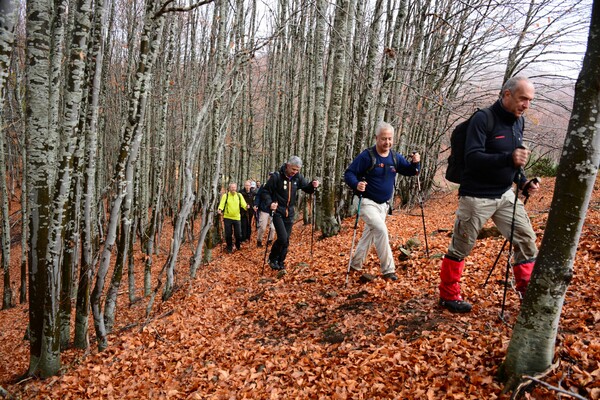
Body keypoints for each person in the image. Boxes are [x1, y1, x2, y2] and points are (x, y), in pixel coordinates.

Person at [438, 76, 541, 313]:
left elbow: (516, 160)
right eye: (523, 99)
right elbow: (472, 158)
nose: (526, 105)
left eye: (530, 100)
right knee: (461, 247)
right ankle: (448, 295)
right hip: (476, 196)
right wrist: (509, 159)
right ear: (506, 95)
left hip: (505, 195)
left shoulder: (518, 122)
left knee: (526, 240)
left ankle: (528, 293)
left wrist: (523, 182)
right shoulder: (483, 119)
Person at [344, 121, 420, 281]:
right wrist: (356, 184)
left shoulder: (394, 157)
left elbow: (411, 171)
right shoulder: (367, 156)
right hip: (365, 202)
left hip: (383, 205)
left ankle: (355, 265)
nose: (387, 142)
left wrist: (415, 163)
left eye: (390, 139)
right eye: (384, 139)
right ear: (376, 138)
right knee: (381, 230)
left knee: (369, 235)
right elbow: (349, 173)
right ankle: (388, 270)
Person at [262, 156, 319, 271]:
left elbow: (306, 188)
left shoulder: (297, 177)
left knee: (286, 240)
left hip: (290, 212)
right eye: (293, 169)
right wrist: (270, 203)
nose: (295, 172)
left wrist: (313, 186)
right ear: (287, 166)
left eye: (297, 170)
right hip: (278, 211)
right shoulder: (276, 177)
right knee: (282, 238)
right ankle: (272, 258)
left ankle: (280, 261)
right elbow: (265, 191)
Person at [217, 182, 248, 253]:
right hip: (227, 218)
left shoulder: (239, 195)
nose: (233, 189)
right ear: (229, 188)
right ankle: (229, 247)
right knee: (228, 234)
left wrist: (246, 207)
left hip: (237, 218)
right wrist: (220, 209)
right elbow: (222, 204)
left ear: (236, 188)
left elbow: (243, 204)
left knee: (238, 234)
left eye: (234, 187)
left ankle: (237, 245)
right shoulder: (226, 195)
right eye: (232, 187)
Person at [254, 174, 275, 247]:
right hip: (264, 209)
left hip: (274, 210)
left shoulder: (277, 186)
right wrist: (256, 204)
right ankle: (259, 241)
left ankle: (270, 241)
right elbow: (258, 196)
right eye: (269, 177)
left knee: (273, 228)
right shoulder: (263, 186)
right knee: (262, 227)